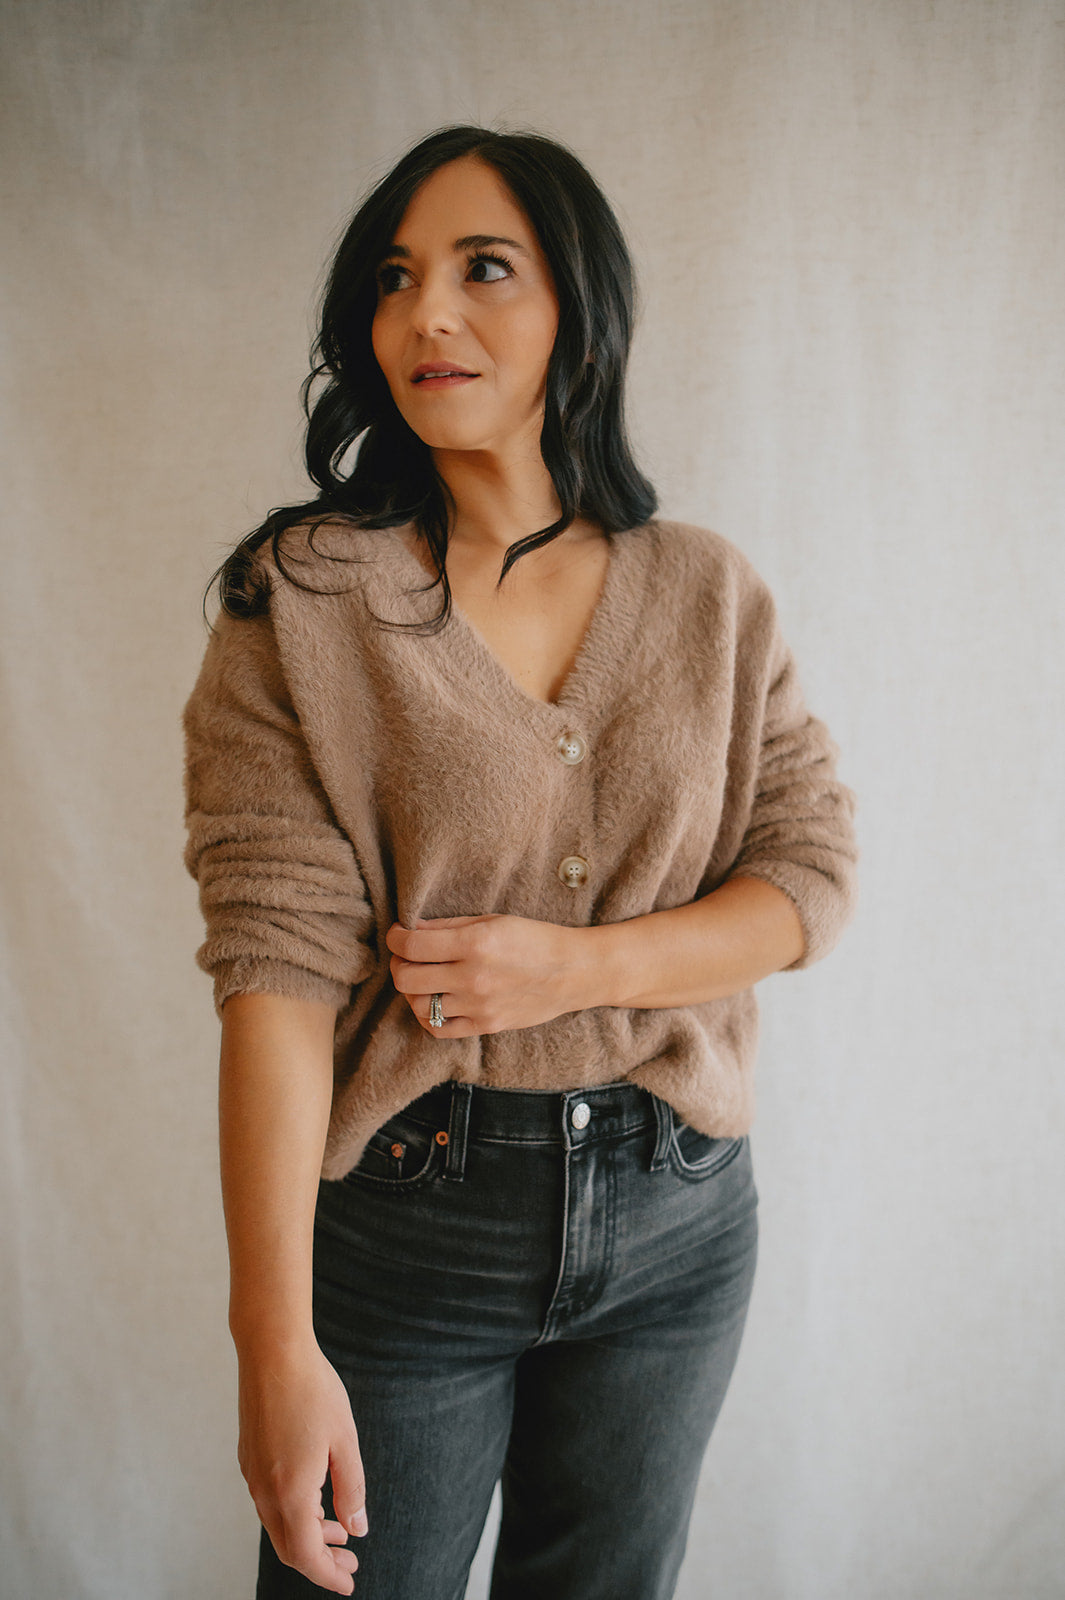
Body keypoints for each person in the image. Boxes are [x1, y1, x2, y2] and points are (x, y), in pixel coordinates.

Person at [182, 124, 858, 1600]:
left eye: (484, 268)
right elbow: (274, 974)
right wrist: (272, 1344)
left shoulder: (706, 591)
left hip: (681, 1212)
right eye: (393, 278)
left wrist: (580, 969)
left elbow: (808, 876)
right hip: (417, 1219)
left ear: (579, 312)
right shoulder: (305, 603)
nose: (427, 313)